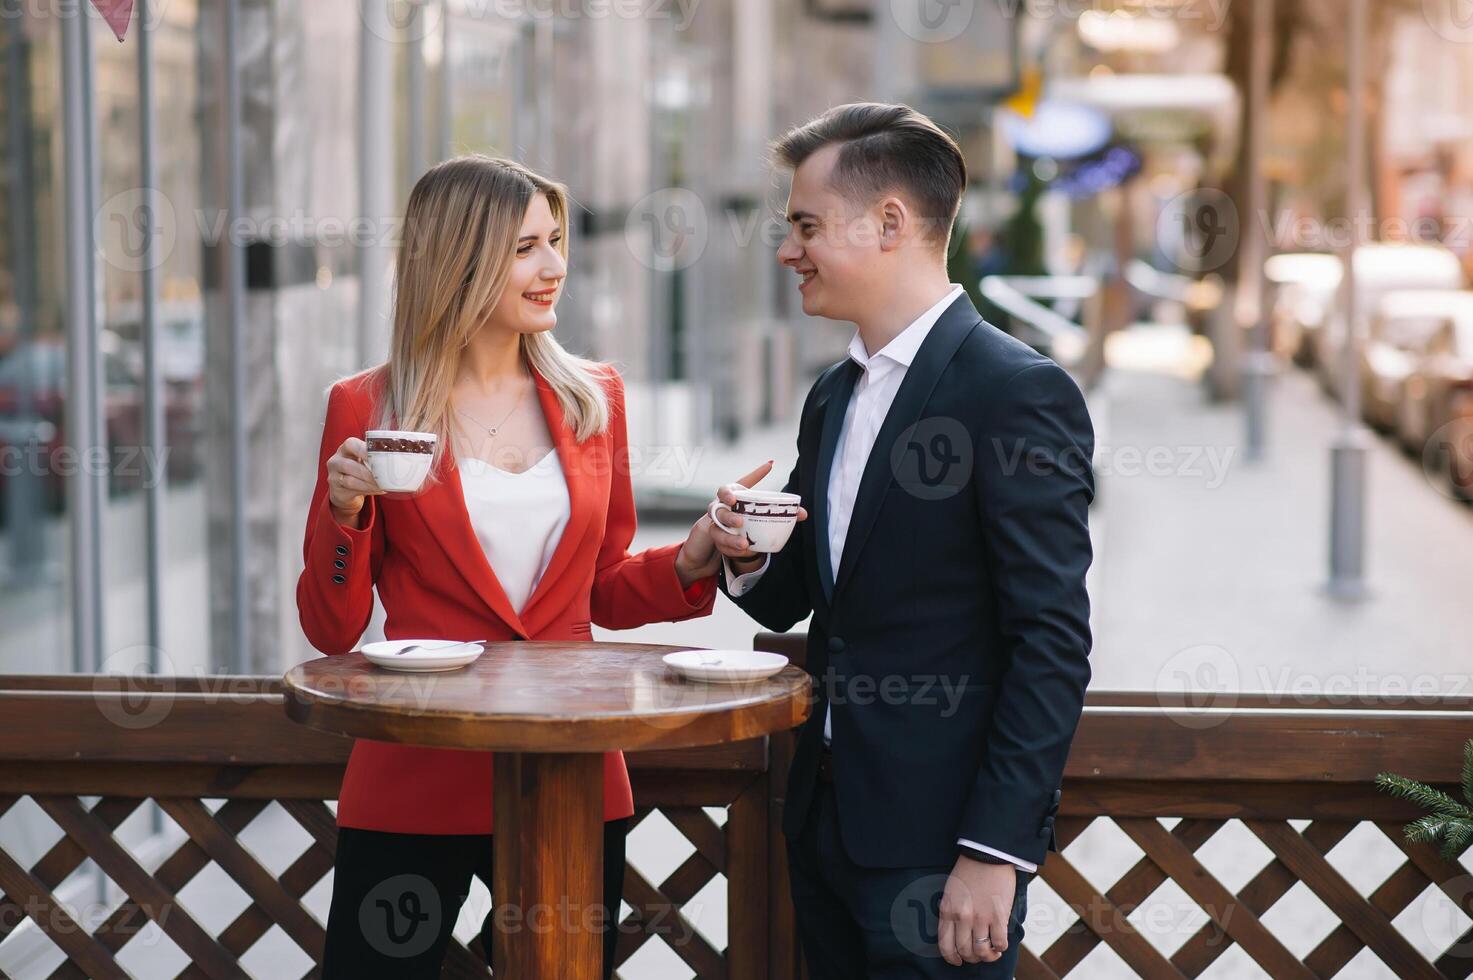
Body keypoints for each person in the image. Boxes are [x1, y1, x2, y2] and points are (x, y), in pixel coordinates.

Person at [298, 154, 737, 978]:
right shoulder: (366, 406)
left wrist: (692, 556)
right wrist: (344, 516)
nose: (554, 267)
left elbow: (599, 587)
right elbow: (331, 627)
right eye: (526, 248)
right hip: (417, 764)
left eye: (556, 240)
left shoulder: (592, 397)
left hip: (566, 771)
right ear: (459, 260)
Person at [707, 103, 1095, 978]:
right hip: (823, 826)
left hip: (942, 855)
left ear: (891, 223)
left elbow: (1052, 644)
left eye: (805, 226)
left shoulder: (1017, 392)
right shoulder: (832, 395)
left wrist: (993, 853)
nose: (786, 251)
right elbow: (797, 593)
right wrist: (745, 550)